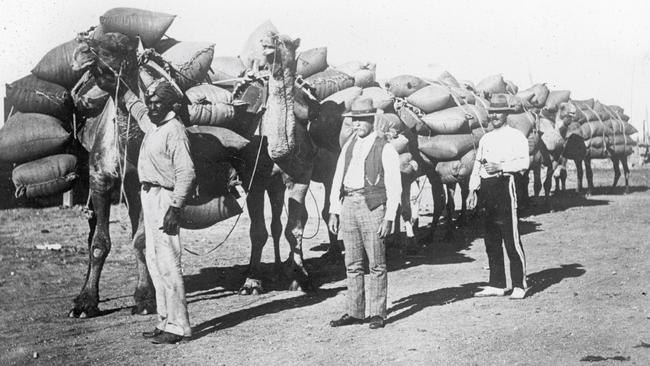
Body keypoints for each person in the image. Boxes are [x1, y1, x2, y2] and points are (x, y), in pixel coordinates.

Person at [125, 80, 196, 344]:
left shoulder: (174, 130)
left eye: (158, 103)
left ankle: (180, 327)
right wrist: (123, 88)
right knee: (154, 263)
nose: (153, 107)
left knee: (169, 263)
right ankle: (165, 320)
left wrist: (175, 207)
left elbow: (186, 172)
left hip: (166, 198)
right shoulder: (154, 126)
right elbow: (137, 109)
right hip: (149, 196)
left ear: (170, 105)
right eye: (150, 102)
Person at [328, 97, 402, 329]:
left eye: (361, 120)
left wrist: (389, 217)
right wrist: (334, 211)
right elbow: (337, 178)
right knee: (352, 262)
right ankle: (355, 311)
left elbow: (394, 185)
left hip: (373, 206)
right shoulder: (349, 146)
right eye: (354, 120)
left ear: (371, 120)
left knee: (377, 263)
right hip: (349, 203)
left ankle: (377, 313)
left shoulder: (385, 147)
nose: (356, 124)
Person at [467, 94, 530, 300]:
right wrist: (472, 190)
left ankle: (519, 284)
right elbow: (478, 164)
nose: (494, 116)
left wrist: (501, 166)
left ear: (506, 114)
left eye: (499, 113)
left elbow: (523, 163)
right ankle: (497, 283)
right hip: (486, 189)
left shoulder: (516, 136)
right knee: (491, 238)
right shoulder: (486, 138)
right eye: (492, 112)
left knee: (510, 237)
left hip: (505, 185)